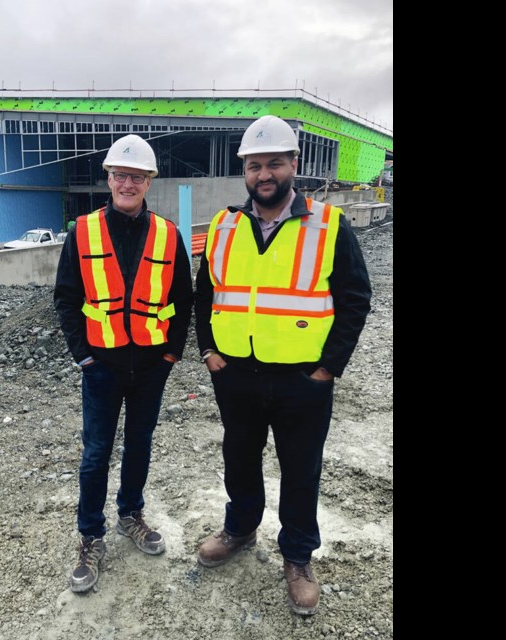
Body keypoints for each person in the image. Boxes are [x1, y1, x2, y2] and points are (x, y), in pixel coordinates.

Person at [194, 116, 372, 615]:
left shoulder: (329, 225)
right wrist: (209, 352)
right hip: (237, 375)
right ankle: (240, 528)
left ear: (293, 165)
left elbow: (356, 299)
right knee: (240, 458)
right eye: (255, 165)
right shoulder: (225, 225)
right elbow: (205, 292)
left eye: (274, 162)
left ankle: (297, 558)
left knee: (300, 470)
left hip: (302, 379)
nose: (264, 173)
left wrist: (328, 369)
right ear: (244, 171)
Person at [54, 134, 194, 593]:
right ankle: (90, 536)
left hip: (151, 366)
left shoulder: (169, 235)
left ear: (149, 181)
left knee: (139, 444)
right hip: (102, 367)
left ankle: (130, 514)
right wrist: (85, 358)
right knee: (96, 454)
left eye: (136, 176)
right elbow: (67, 299)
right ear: (109, 179)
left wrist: (170, 355)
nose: (127, 183)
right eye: (120, 175)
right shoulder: (82, 232)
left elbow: (183, 300)